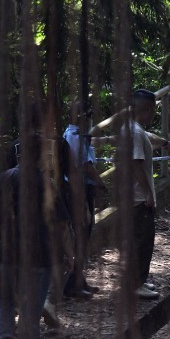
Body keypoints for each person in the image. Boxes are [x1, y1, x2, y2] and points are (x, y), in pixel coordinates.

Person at [0, 133, 72, 339]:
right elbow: (61, 226)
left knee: (1, 300)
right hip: (39, 257)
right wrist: (69, 254)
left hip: (4, 254)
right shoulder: (47, 184)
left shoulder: (1, 180)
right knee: (31, 310)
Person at [123, 88, 170, 300]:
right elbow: (136, 163)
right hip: (137, 196)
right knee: (142, 240)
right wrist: (149, 193)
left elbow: (147, 137)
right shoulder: (134, 131)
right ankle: (135, 285)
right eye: (153, 110)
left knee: (139, 239)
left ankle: (138, 280)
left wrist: (165, 143)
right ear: (147, 109)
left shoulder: (133, 128)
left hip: (133, 194)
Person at [62, 98, 108, 298]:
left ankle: (79, 278)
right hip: (78, 189)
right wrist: (101, 182)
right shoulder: (74, 136)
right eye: (89, 115)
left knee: (84, 235)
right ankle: (72, 284)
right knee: (80, 236)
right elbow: (84, 166)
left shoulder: (78, 134)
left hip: (82, 188)